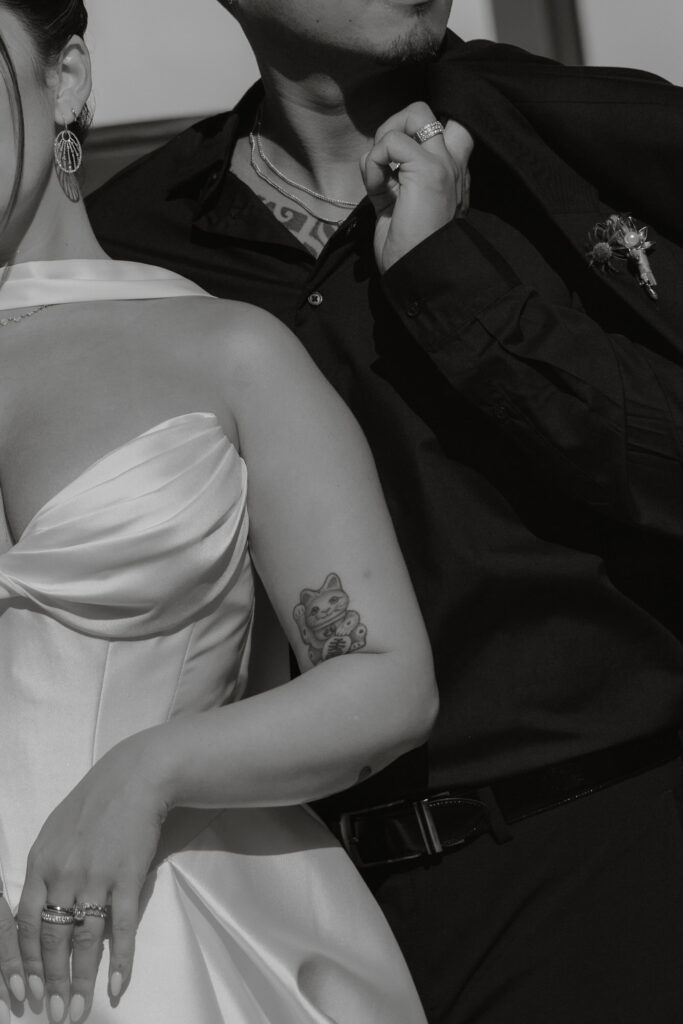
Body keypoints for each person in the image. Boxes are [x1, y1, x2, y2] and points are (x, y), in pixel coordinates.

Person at [88, 2, 683, 1022]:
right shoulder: (135, 244)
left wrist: (453, 283)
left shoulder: (598, 136)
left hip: (620, 861)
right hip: (297, 918)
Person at [0, 3, 440, 1023]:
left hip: (167, 944)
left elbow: (385, 680)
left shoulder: (229, 353)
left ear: (66, 79)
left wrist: (146, 772)